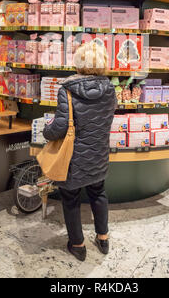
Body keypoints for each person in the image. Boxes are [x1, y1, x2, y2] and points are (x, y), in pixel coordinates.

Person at [43, 41, 117, 262]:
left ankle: (78, 245)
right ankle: (103, 238)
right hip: (99, 153)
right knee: (98, 192)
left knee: (71, 198)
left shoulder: (67, 89)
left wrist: (46, 132)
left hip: (73, 158)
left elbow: (60, 126)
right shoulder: (110, 88)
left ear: (78, 62)